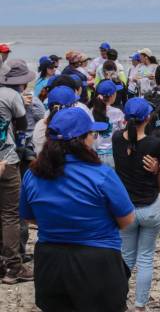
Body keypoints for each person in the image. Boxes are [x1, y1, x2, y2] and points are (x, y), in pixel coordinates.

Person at [21, 107, 134, 310]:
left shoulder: (33, 174)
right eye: (92, 134)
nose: (94, 138)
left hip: (50, 263)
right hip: (97, 262)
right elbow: (126, 220)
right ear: (81, 140)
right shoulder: (102, 175)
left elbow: (29, 217)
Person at [113, 97, 160, 312]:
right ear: (148, 118)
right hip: (150, 206)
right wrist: (157, 169)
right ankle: (140, 305)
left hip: (126, 209)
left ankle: (120, 300)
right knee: (145, 258)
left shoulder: (118, 139)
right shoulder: (156, 143)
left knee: (126, 256)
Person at [0, 59, 35, 283]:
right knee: (10, 215)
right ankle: (13, 266)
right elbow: (22, 126)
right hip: (7, 160)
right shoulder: (10, 96)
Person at [91, 79, 126, 167]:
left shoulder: (90, 112)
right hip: (113, 155)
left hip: (93, 155)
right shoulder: (118, 113)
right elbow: (124, 132)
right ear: (112, 95)